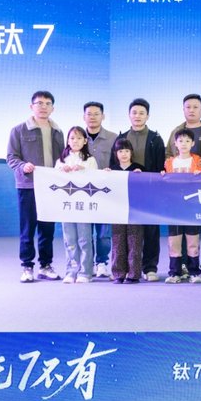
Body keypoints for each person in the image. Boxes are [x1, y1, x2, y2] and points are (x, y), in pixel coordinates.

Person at [7, 91, 64, 283]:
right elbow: (11, 157)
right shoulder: (19, 130)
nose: (43, 106)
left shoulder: (58, 132)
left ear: (53, 108)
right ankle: (27, 267)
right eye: (39, 103)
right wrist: (23, 166)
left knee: (47, 229)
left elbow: (62, 158)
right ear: (31, 107)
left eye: (48, 103)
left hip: (52, 187)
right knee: (28, 228)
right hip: (28, 186)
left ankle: (46, 266)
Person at [110, 98, 166, 282]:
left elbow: (160, 167)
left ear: (147, 116)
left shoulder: (155, 139)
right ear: (129, 115)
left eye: (142, 113)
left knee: (150, 230)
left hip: (149, 192)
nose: (137, 116)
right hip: (124, 194)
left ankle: (150, 268)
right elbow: (113, 165)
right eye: (134, 112)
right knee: (125, 234)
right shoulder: (121, 138)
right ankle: (124, 269)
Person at [165, 94, 201, 281]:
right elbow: (168, 155)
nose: (192, 110)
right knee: (181, 231)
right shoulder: (176, 131)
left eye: (196, 107)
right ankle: (183, 266)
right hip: (179, 196)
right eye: (188, 107)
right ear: (183, 109)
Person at [162, 129, 201, 284]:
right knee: (174, 241)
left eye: (187, 141)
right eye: (180, 141)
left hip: (192, 207)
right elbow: (165, 183)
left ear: (193, 143)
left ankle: (194, 272)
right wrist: (163, 176)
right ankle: (175, 272)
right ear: (175, 143)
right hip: (174, 207)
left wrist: (200, 175)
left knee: (193, 240)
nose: (184, 144)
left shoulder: (198, 161)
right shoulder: (169, 163)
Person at [55, 126, 99, 283]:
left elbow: (96, 179)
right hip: (67, 206)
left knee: (85, 239)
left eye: (79, 138)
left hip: (83, 206)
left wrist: (84, 170)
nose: (75, 141)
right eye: (72, 138)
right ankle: (71, 271)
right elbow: (54, 180)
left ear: (85, 141)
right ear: (68, 140)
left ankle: (86, 272)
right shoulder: (60, 161)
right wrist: (61, 170)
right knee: (70, 240)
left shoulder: (90, 160)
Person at [83, 101, 117, 280]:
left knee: (104, 233)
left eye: (96, 114)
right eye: (89, 114)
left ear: (103, 116)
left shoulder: (113, 138)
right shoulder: (77, 137)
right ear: (84, 117)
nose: (93, 117)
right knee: (85, 232)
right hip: (83, 193)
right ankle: (86, 265)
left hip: (105, 193)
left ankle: (102, 263)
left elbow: (118, 162)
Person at [108, 139, 145, 284]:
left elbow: (147, 187)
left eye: (127, 151)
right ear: (115, 154)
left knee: (135, 241)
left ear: (131, 153)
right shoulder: (111, 170)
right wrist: (105, 176)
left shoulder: (139, 169)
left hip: (135, 211)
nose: (124, 154)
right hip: (116, 211)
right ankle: (118, 274)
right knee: (118, 242)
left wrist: (141, 176)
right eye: (120, 151)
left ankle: (134, 274)